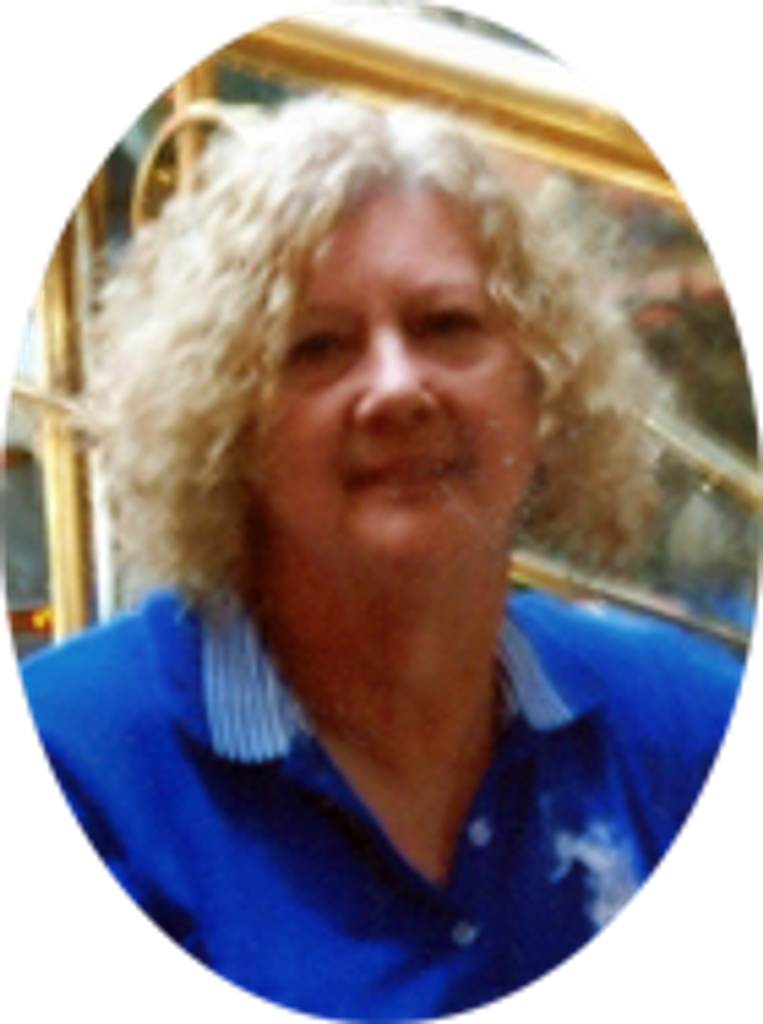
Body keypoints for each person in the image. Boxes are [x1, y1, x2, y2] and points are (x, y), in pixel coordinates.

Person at [17, 94, 746, 1022]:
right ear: (225, 427)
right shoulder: (79, 767)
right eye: (318, 347)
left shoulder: (685, 725)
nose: (397, 388)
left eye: (445, 326)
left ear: (543, 388)